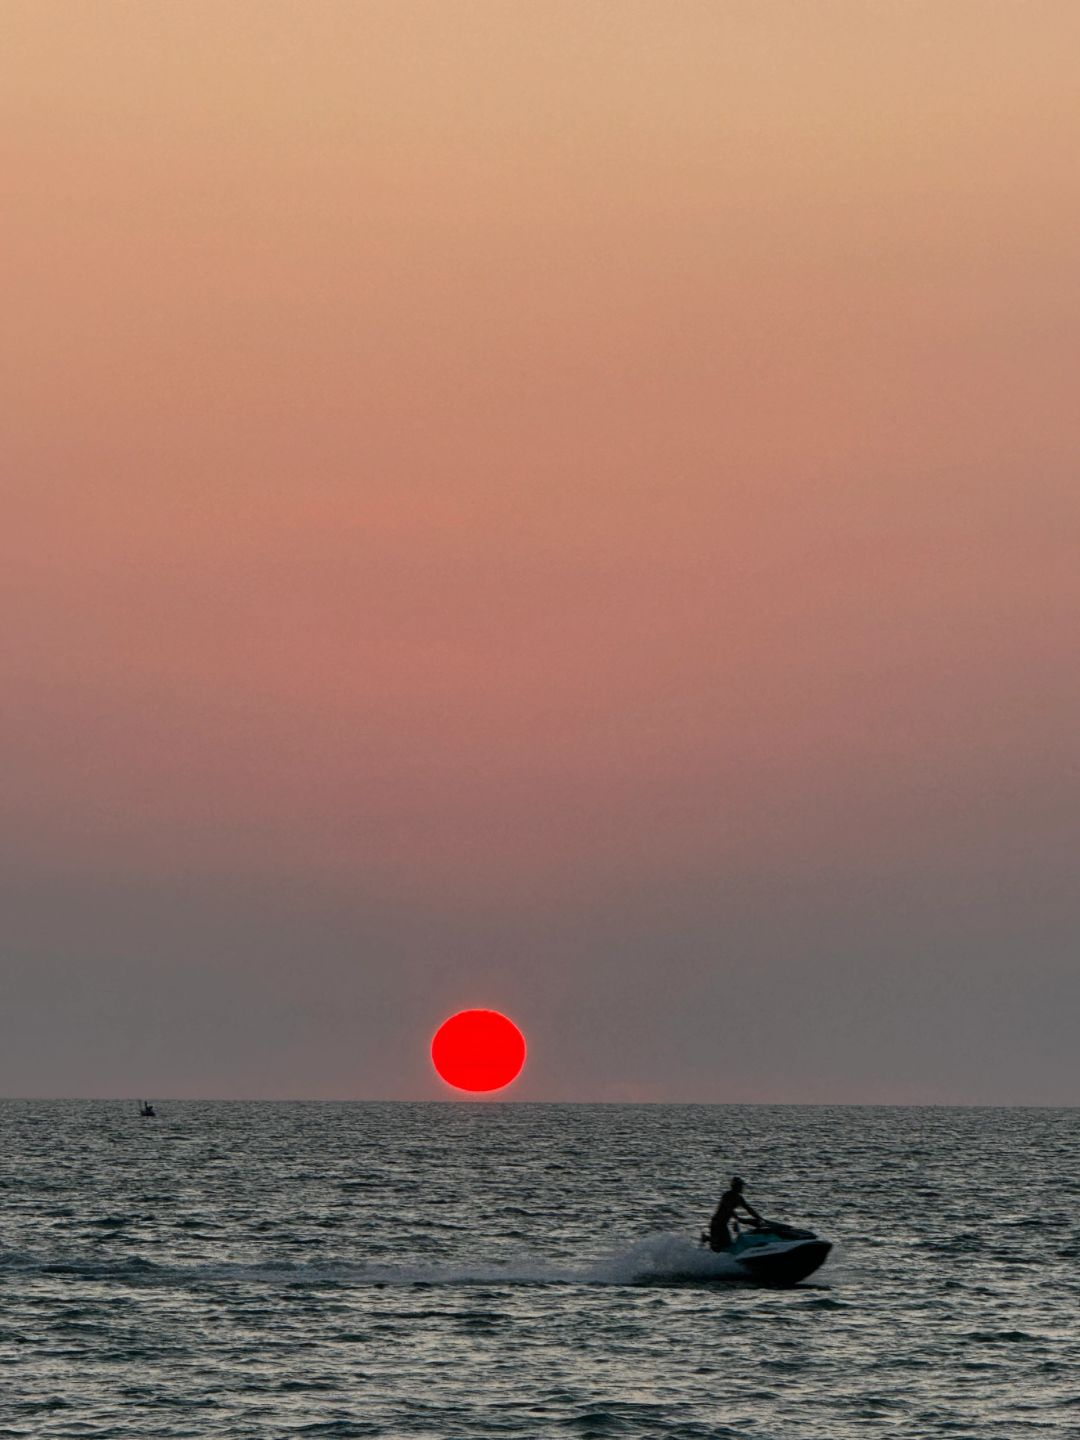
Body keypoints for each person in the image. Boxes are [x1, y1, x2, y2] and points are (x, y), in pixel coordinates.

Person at [707, 1176, 762, 1251]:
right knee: (718, 1248)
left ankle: (708, 1238)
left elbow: (748, 1208)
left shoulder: (739, 1197)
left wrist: (759, 1218)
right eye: (740, 1186)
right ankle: (707, 1239)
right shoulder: (727, 1195)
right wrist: (738, 1219)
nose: (742, 1188)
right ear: (735, 1186)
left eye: (742, 1186)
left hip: (723, 1224)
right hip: (717, 1224)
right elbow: (728, 1209)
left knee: (727, 1245)